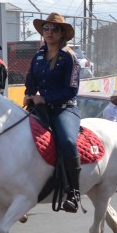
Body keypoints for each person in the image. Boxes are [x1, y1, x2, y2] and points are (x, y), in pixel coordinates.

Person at [23, 12, 82, 213]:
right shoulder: (38, 56)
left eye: (54, 29)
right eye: (46, 28)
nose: (49, 32)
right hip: (40, 107)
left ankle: (74, 192)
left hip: (64, 109)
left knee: (67, 141)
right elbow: (30, 80)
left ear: (62, 33)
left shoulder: (70, 58)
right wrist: (29, 94)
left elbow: (71, 90)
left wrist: (45, 98)